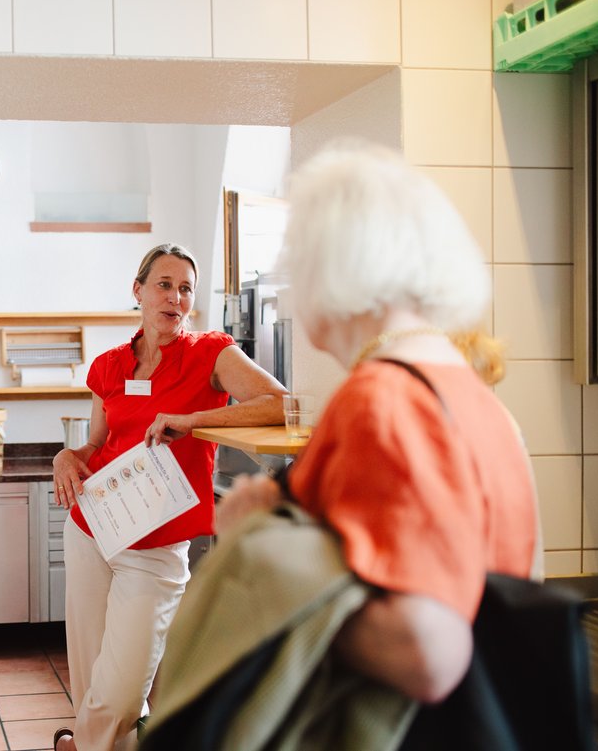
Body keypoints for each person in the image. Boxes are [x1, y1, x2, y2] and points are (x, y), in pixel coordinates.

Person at [170, 142, 539, 741]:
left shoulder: (381, 399)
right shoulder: (463, 386)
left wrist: (253, 546)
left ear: (329, 264)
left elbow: (427, 656)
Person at [51, 243, 287, 751]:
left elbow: (280, 405)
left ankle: (79, 746)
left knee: (121, 693)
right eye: (164, 284)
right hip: (93, 529)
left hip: (156, 547)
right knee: (92, 678)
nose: (175, 298)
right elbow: (95, 444)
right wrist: (65, 457)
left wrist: (194, 420)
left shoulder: (211, 354)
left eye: (185, 289)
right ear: (137, 291)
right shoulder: (109, 366)